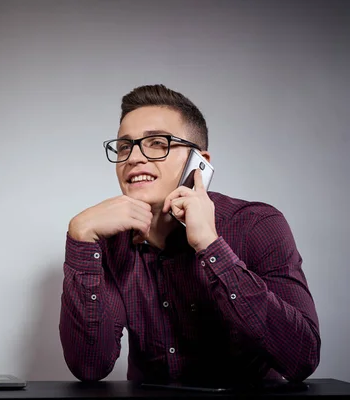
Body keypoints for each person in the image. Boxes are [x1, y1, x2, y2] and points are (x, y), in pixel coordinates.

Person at [58, 84, 321, 386]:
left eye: (158, 142)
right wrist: (80, 239)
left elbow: (303, 358)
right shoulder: (106, 243)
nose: (133, 158)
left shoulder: (257, 225)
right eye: (124, 146)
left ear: (200, 162)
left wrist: (210, 245)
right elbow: (90, 366)